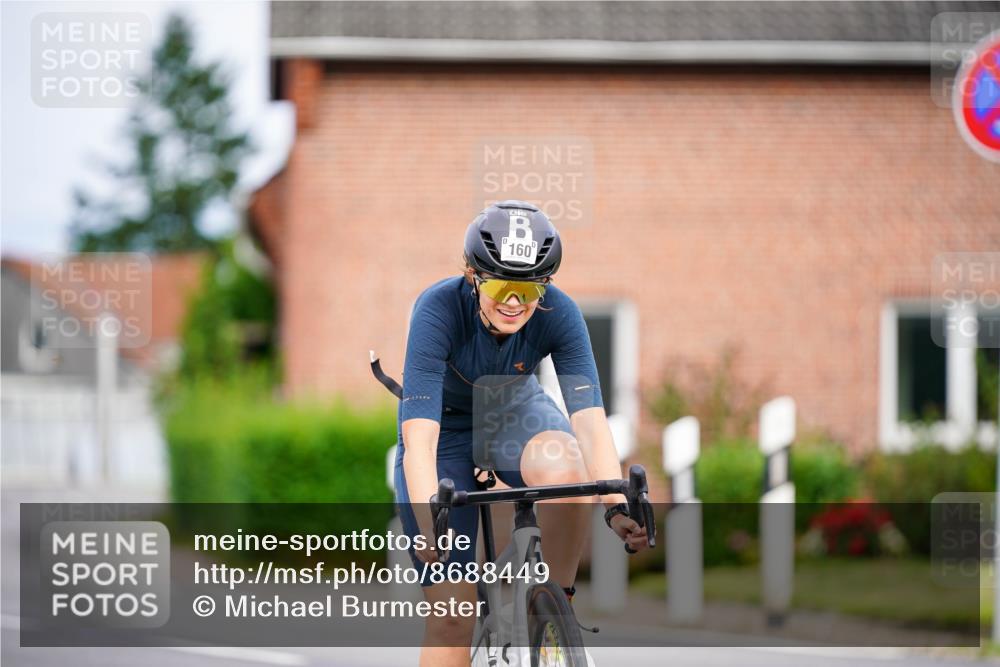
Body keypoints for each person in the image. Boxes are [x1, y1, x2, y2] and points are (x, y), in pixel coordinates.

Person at [394, 200, 649, 666]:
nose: (514, 303)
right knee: (452, 615)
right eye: (500, 286)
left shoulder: (560, 312)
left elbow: (590, 422)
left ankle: (553, 608)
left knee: (568, 469)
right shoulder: (437, 309)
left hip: (514, 410)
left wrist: (615, 507)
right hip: (444, 430)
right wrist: (430, 521)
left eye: (528, 290)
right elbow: (420, 440)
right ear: (472, 276)